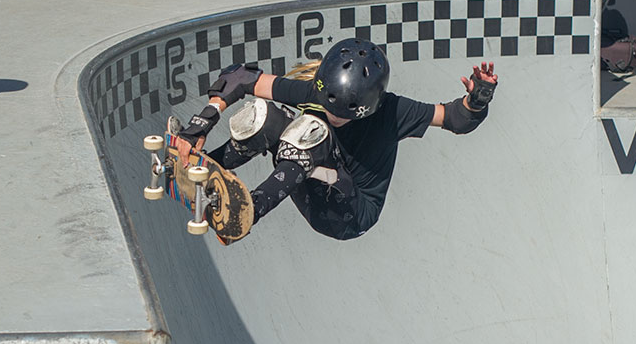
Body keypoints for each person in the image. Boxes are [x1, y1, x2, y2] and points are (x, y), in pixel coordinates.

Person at [171, 38, 497, 242]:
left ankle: (246, 213)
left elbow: (454, 118)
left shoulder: (394, 111)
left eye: (343, 115)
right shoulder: (317, 92)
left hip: (348, 214)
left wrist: (477, 101)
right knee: (266, 117)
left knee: (311, 132)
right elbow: (240, 79)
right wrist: (200, 125)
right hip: (313, 178)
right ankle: (205, 168)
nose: (333, 115)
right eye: (328, 105)